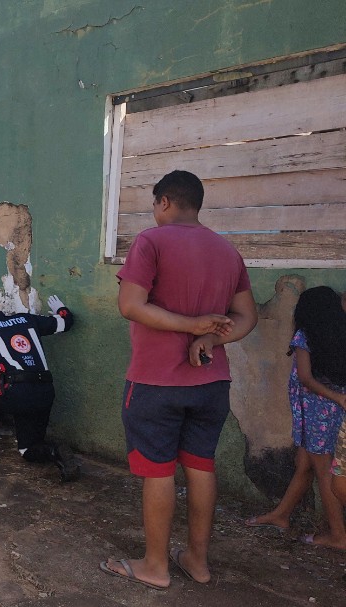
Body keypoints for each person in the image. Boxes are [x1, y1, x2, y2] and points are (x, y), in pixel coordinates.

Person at [100, 170, 257, 590]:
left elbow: (130, 306)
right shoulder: (227, 251)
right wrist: (210, 337)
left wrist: (192, 326)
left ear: (165, 201)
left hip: (156, 382)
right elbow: (247, 316)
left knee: (159, 470)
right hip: (211, 382)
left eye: (155, 204)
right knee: (201, 465)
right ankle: (197, 561)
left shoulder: (151, 241)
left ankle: (156, 566)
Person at [246, 286, 346, 549]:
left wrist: (336, 398)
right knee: (304, 464)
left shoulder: (305, 335)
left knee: (324, 472)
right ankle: (281, 515)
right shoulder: (338, 334)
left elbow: (305, 378)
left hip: (316, 413)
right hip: (329, 413)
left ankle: (338, 535)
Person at [0, 299, 80, 481]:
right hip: (45, 391)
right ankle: (55, 451)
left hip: (16, 392)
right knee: (27, 449)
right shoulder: (27, 319)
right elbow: (66, 322)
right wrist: (61, 309)